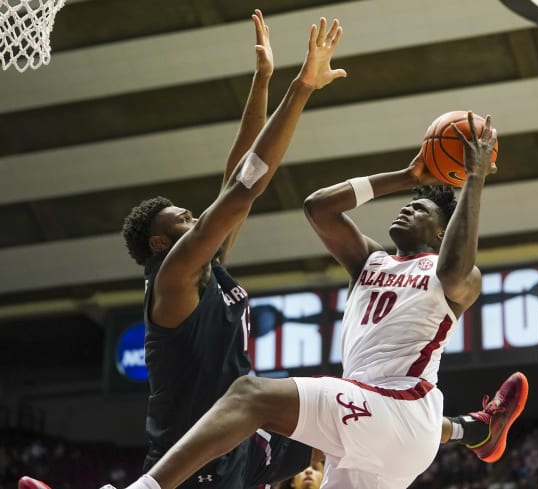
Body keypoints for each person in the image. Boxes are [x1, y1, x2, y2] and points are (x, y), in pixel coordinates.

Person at [101, 105, 528, 489]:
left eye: (421, 209)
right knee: (261, 411)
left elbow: (453, 266)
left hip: (399, 411)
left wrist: (474, 179)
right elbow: (318, 208)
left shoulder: (457, 277)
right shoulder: (370, 261)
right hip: (372, 429)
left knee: (251, 395)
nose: (407, 208)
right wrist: (408, 177)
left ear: (442, 231)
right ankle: (473, 429)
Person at [17, 10, 347, 489]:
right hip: (197, 456)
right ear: (161, 242)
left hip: (243, 436)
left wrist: (262, 80)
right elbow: (244, 188)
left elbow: (236, 172)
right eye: (185, 219)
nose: (196, 217)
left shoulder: (205, 267)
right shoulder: (175, 278)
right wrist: (301, 88)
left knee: (338, 418)